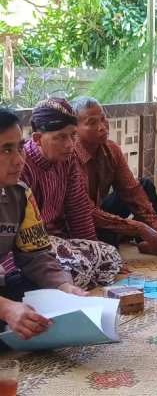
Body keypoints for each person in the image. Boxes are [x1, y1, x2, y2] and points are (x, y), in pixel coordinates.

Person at [2, 98, 122, 290]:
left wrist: (94, 254)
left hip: (45, 246)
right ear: (37, 139)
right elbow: (17, 249)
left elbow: (78, 211)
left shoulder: (20, 191)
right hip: (23, 256)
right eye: (60, 137)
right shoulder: (19, 174)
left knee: (108, 254)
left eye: (73, 135)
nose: (70, 145)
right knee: (74, 272)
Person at [0, 107, 88, 341]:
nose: (19, 160)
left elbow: (37, 255)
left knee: (44, 300)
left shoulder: (19, 196)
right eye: (6, 150)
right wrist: (6, 309)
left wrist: (64, 288)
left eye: (20, 148)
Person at [70, 96, 157, 257]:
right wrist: (139, 227)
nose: (102, 127)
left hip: (99, 209)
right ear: (74, 129)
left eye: (103, 119)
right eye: (92, 123)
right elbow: (84, 212)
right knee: (109, 251)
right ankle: (125, 235)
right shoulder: (70, 156)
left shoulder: (112, 149)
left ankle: (150, 243)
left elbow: (133, 192)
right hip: (79, 219)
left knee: (144, 186)